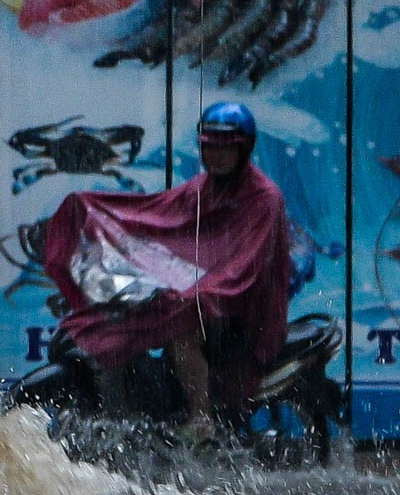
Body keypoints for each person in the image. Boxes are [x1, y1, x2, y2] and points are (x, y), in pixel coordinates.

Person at [43, 101, 290, 443]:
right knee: (110, 320)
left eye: (226, 148)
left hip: (243, 309)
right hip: (204, 295)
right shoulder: (202, 188)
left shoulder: (264, 198)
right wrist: (92, 207)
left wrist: (195, 293)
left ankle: (201, 417)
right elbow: (155, 218)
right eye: (209, 148)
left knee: (182, 325)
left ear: (244, 148)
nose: (216, 156)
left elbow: (245, 267)